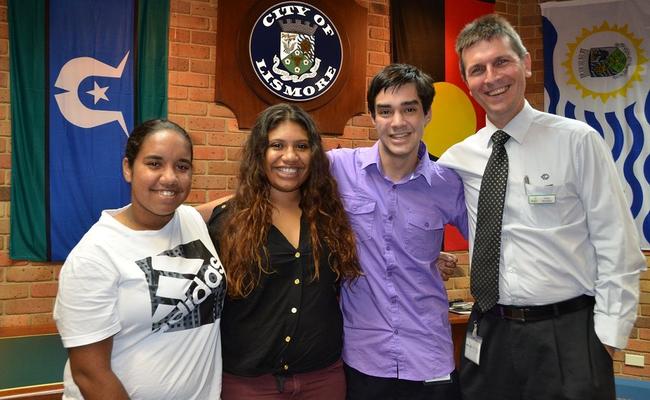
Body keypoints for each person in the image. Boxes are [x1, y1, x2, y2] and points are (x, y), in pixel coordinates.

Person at [437, 14, 646, 400]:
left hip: (567, 333)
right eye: (477, 69)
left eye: (502, 62)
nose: (492, 77)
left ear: (527, 63)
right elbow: (411, 207)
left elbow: (619, 247)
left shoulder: (577, 142)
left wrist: (606, 342)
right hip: (489, 331)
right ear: (467, 82)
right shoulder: (456, 159)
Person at [54, 120, 226, 399]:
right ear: (127, 168)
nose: (170, 177)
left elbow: (227, 205)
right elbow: (90, 375)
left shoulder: (190, 219)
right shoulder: (94, 256)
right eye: (155, 164)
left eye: (182, 166)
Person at [328, 63, 468, 400]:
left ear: (427, 114)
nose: (397, 122)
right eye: (385, 111)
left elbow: (494, 237)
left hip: (429, 356)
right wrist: (189, 214)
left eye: (409, 109)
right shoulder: (338, 167)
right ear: (372, 117)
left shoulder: (447, 183)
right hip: (363, 358)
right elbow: (273, 190)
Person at [207, 103, 362, 399]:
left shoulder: (330, 217)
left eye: (301, 146)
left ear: (313, 154)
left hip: (322, 379)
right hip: (250, 384)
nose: (290, 156)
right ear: (259, 153)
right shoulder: (227, 221)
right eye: (277, 145)